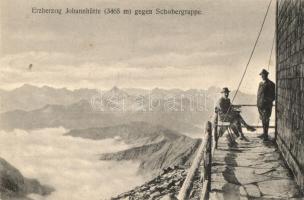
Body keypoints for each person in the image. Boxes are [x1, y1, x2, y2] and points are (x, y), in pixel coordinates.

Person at [257, 69, 275, 141]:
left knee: (266, 119)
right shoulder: (260, 83)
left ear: (267, 75)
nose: (262, 76)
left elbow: (273, 96)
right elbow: (259, 94)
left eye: (264, 75)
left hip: (266, 106)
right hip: (260, 105)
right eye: (261, 75)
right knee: (262, 119)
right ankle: (264, 133)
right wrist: (258, 103)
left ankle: (266, 135)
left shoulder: (271, 84)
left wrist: (267, 101)